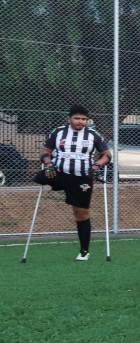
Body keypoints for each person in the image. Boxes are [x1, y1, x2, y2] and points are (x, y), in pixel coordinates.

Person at [33, 104, 111, 260]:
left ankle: (84, 251)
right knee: (39, 177)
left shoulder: (93, 135)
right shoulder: (58, 132)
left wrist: (97, 165)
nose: (80, 122)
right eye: (77, 118)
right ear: (69, 118)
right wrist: (48, 162)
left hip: (82, 178)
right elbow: (45, 151)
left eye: (83, 119)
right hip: (60, 173)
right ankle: (61, 187)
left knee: (80, 213)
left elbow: (107, 154)